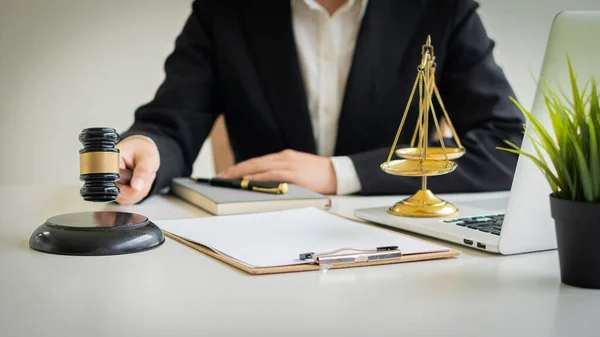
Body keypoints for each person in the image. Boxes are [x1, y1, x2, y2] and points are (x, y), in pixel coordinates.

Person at [116, 0, 524, 206]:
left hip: (399, 249)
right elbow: (170, 125)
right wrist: (144, 150)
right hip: (257, 251)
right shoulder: (226, 8)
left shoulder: (440, 7)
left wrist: (342, 173)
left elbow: (510, 145)